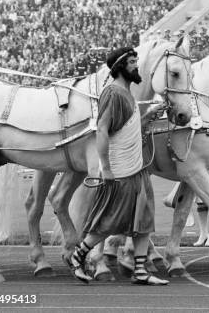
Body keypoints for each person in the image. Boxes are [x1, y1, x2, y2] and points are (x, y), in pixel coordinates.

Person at [67, 47, 169, 285]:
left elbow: (128, 128)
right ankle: (78, 257)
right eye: (132, 62)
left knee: (144, 221)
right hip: (120, 170)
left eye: (137, 61)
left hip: (138, 169)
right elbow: (102, 130)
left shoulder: (127, 94)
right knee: (110, 222)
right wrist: (106, 168)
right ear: (121, 66)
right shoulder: (112, 93)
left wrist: (150, 116)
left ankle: (141, 272)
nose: (137, 66)